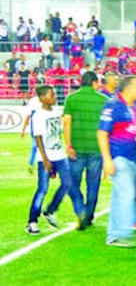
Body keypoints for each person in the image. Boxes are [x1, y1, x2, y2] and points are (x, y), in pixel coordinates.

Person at [98, 76, 136, 248]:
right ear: (129, 88)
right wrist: (107, 160)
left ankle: (114, 235)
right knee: (127, 194)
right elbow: (102, 133)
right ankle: (123, 232)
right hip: (119, 157)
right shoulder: (113, 106)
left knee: (120, 196)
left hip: (133, 157)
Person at [63, 71, 108, 230]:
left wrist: (68, 145)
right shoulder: (104, 100)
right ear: (95, 83)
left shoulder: (71, 99)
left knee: (72, 183)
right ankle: (88, 216)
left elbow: (67, 123)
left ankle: (80, 210)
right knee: (93, 184)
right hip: (96, 148)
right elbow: (106, 127)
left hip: (76, 148)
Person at [26, 86, 72, 235]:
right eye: (51, 95)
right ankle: (32, 221)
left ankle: (51, 210)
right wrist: (45, 159)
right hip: (46, 156)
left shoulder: (55, 112)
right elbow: (38, 137)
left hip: (60, 154)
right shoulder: (38, 115)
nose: (54, 97)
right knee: (42, 189)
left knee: (67, 183)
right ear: (42, 98)